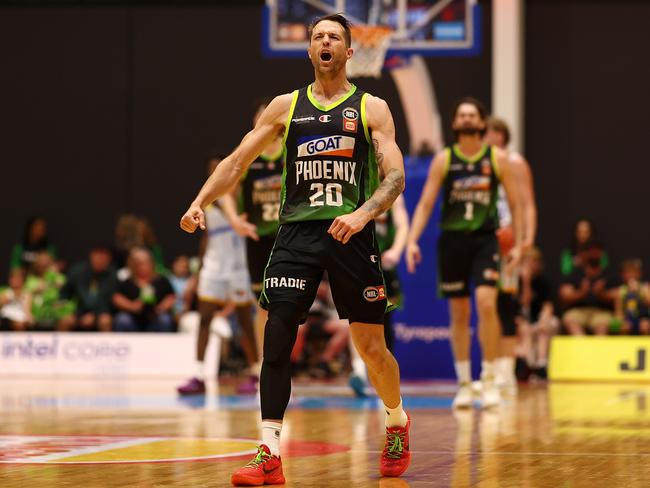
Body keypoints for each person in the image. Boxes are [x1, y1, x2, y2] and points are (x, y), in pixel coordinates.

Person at [180, 13, 410, 484]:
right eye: (318, 36)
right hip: (296, 236)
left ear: (350, 52)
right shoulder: (287, 106)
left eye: (335, 37)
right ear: (309, 50)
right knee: (276, 342)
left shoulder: (371, 108)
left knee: (371, 348)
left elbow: (395, 176)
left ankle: (397, 421)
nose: (325, 42)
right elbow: (238, 160)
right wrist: (201, 201)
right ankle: (269, 451)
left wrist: (363, 213)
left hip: (351, 233)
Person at [406, 97, 523, 409]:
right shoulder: (444, 160)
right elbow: (427, 203)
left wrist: (521, 243)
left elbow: (516, 203)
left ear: (481, 122)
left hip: (485, 239)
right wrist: (412, 239)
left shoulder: (497, 158)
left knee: (487, 303)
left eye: (472, 114)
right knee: (459, 313)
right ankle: (464, 384)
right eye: (462, 115)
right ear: (455, 123)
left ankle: (489, 378)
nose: (467, 119)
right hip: (453, 241)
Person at [177, 156, 259, 396]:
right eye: (213, 173)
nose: (217, 177)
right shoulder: (208, 204)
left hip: (238, 265)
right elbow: (206, 237)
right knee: (204, 318)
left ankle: (255, 372)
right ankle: (199, 374)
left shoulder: (241, 198)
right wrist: (199, 271)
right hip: (214, 264)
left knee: (245, 321)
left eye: (219, 172)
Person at [218, 98, 285, 380]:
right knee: (265, 306)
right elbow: (225, 191)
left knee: (287, 304)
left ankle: (280, 361)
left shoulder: (292, 149)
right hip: (257, 237)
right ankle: (263, 363)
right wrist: (234, 219)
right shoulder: (248, 152)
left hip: (288, 237)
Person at [484, 117, 537, 391]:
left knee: (506, 306)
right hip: (483, 240)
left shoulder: (515, 163)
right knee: (486, 304)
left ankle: (506, 371)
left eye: (493, 132)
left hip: (507, 242)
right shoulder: (479, 163)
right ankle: (490, 369)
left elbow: (527, 205)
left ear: (502, 136)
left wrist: (526, 241)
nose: (487, 136)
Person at [349, 194, 409, 397]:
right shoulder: (353, 184)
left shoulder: (391, 192)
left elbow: (402, 225)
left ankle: (383, 377)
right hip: (358, 261)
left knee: (384, 320)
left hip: (384, 263)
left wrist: (396, 250)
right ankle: (358, 371)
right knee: (356, 317)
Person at [559, 240, 616, 336]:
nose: (594, 254)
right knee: (571, 320)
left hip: (601, 312)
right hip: (578, 311)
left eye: (597, 250)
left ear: (602, 253)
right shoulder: (575, 274)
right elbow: (564, 295)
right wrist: (581, 293)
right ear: (585, 253)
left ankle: (598, 350)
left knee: (602, 325)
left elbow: (618, 295)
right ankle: (582, 348)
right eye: (591, 250)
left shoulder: (609, 275)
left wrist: (602, 294)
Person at [112, 247, 176, 332]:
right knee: (122, 319)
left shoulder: (161, 281)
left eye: (146, 263)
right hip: (133, 320)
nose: (143, 266)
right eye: (139, 263)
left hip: (156, 318)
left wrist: (162, 307)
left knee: (165, 319)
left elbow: (171, 296)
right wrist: (132, 306)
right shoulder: (128, 282)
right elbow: (116, 297)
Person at [518, 248, 558, 379]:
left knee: (545, 326)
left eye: (534, 261)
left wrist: (542, 321)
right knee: (525, 329)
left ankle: (542, 366)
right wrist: (526, 282)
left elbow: (548, 307)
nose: (531, 265)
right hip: (524, 322)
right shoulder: (518, 282)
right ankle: (528, 366)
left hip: (542, 320)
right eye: (527, 261)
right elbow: (524, 304)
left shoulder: (544, 282)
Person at [60, 245, 117, 332]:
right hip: (78, 311)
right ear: (92, 256)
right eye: (99, 256)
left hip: (101, 312)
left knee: (105, 321)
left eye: (105, 257)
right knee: (65, 320)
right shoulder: (77, 272)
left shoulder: (112, 276)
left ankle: (107, 345)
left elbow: (109, 300)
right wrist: (64, 306)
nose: (101, 260)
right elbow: (65, 293)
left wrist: (94, 314)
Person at [24, 251, 75, 330]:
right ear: (36, 266)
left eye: (46, 265)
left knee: (68, 319)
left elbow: (66, 291)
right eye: (41, 266)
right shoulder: (31, 280)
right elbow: (28, 295)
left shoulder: (59, 278)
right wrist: (28, 314)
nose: (43, 269)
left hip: (57, 312)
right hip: (38, 312)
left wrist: (55, 276)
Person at [615, 259, 650, 335]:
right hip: (628, 319)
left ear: (639, 274)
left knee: (645, 326)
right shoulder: (621, 290)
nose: (631, 275)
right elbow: (619, 311)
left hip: (644, 318)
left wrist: (640, 291)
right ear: (623, 275)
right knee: (624, 326)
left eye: (634, 272)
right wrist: (620, 321)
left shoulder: (645, 287)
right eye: (628, 272)